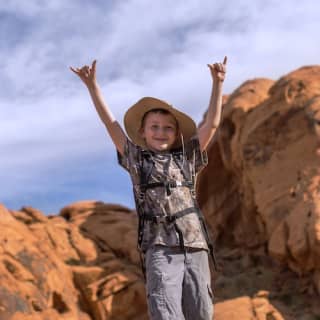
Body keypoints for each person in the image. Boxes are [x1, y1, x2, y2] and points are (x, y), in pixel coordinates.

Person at [70, 56, 227, 320]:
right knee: (166, 313)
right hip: (160, 248)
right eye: (154, 127)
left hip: (195, 245)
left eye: (168, 128)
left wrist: (218, 83)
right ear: (142, 132)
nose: (161, 132)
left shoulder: (187, 159)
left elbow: (211, 125)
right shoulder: (137, 160)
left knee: (201, 313)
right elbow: (111, 125)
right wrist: (92, 86)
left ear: (176, 134)